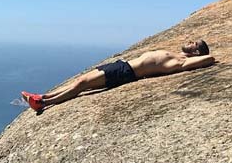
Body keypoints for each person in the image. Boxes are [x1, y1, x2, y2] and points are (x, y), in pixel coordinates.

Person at [21, 39, 216, 112]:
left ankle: (44, 104)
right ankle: (43, 96)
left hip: (126, 73)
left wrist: (204, 57)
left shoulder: (180, 62)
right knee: (79, 81)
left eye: (194, 44)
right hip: (122, 66)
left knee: (82, 85)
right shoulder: (176, 55)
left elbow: (210, 59)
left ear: (196, 53)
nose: (190, 41)